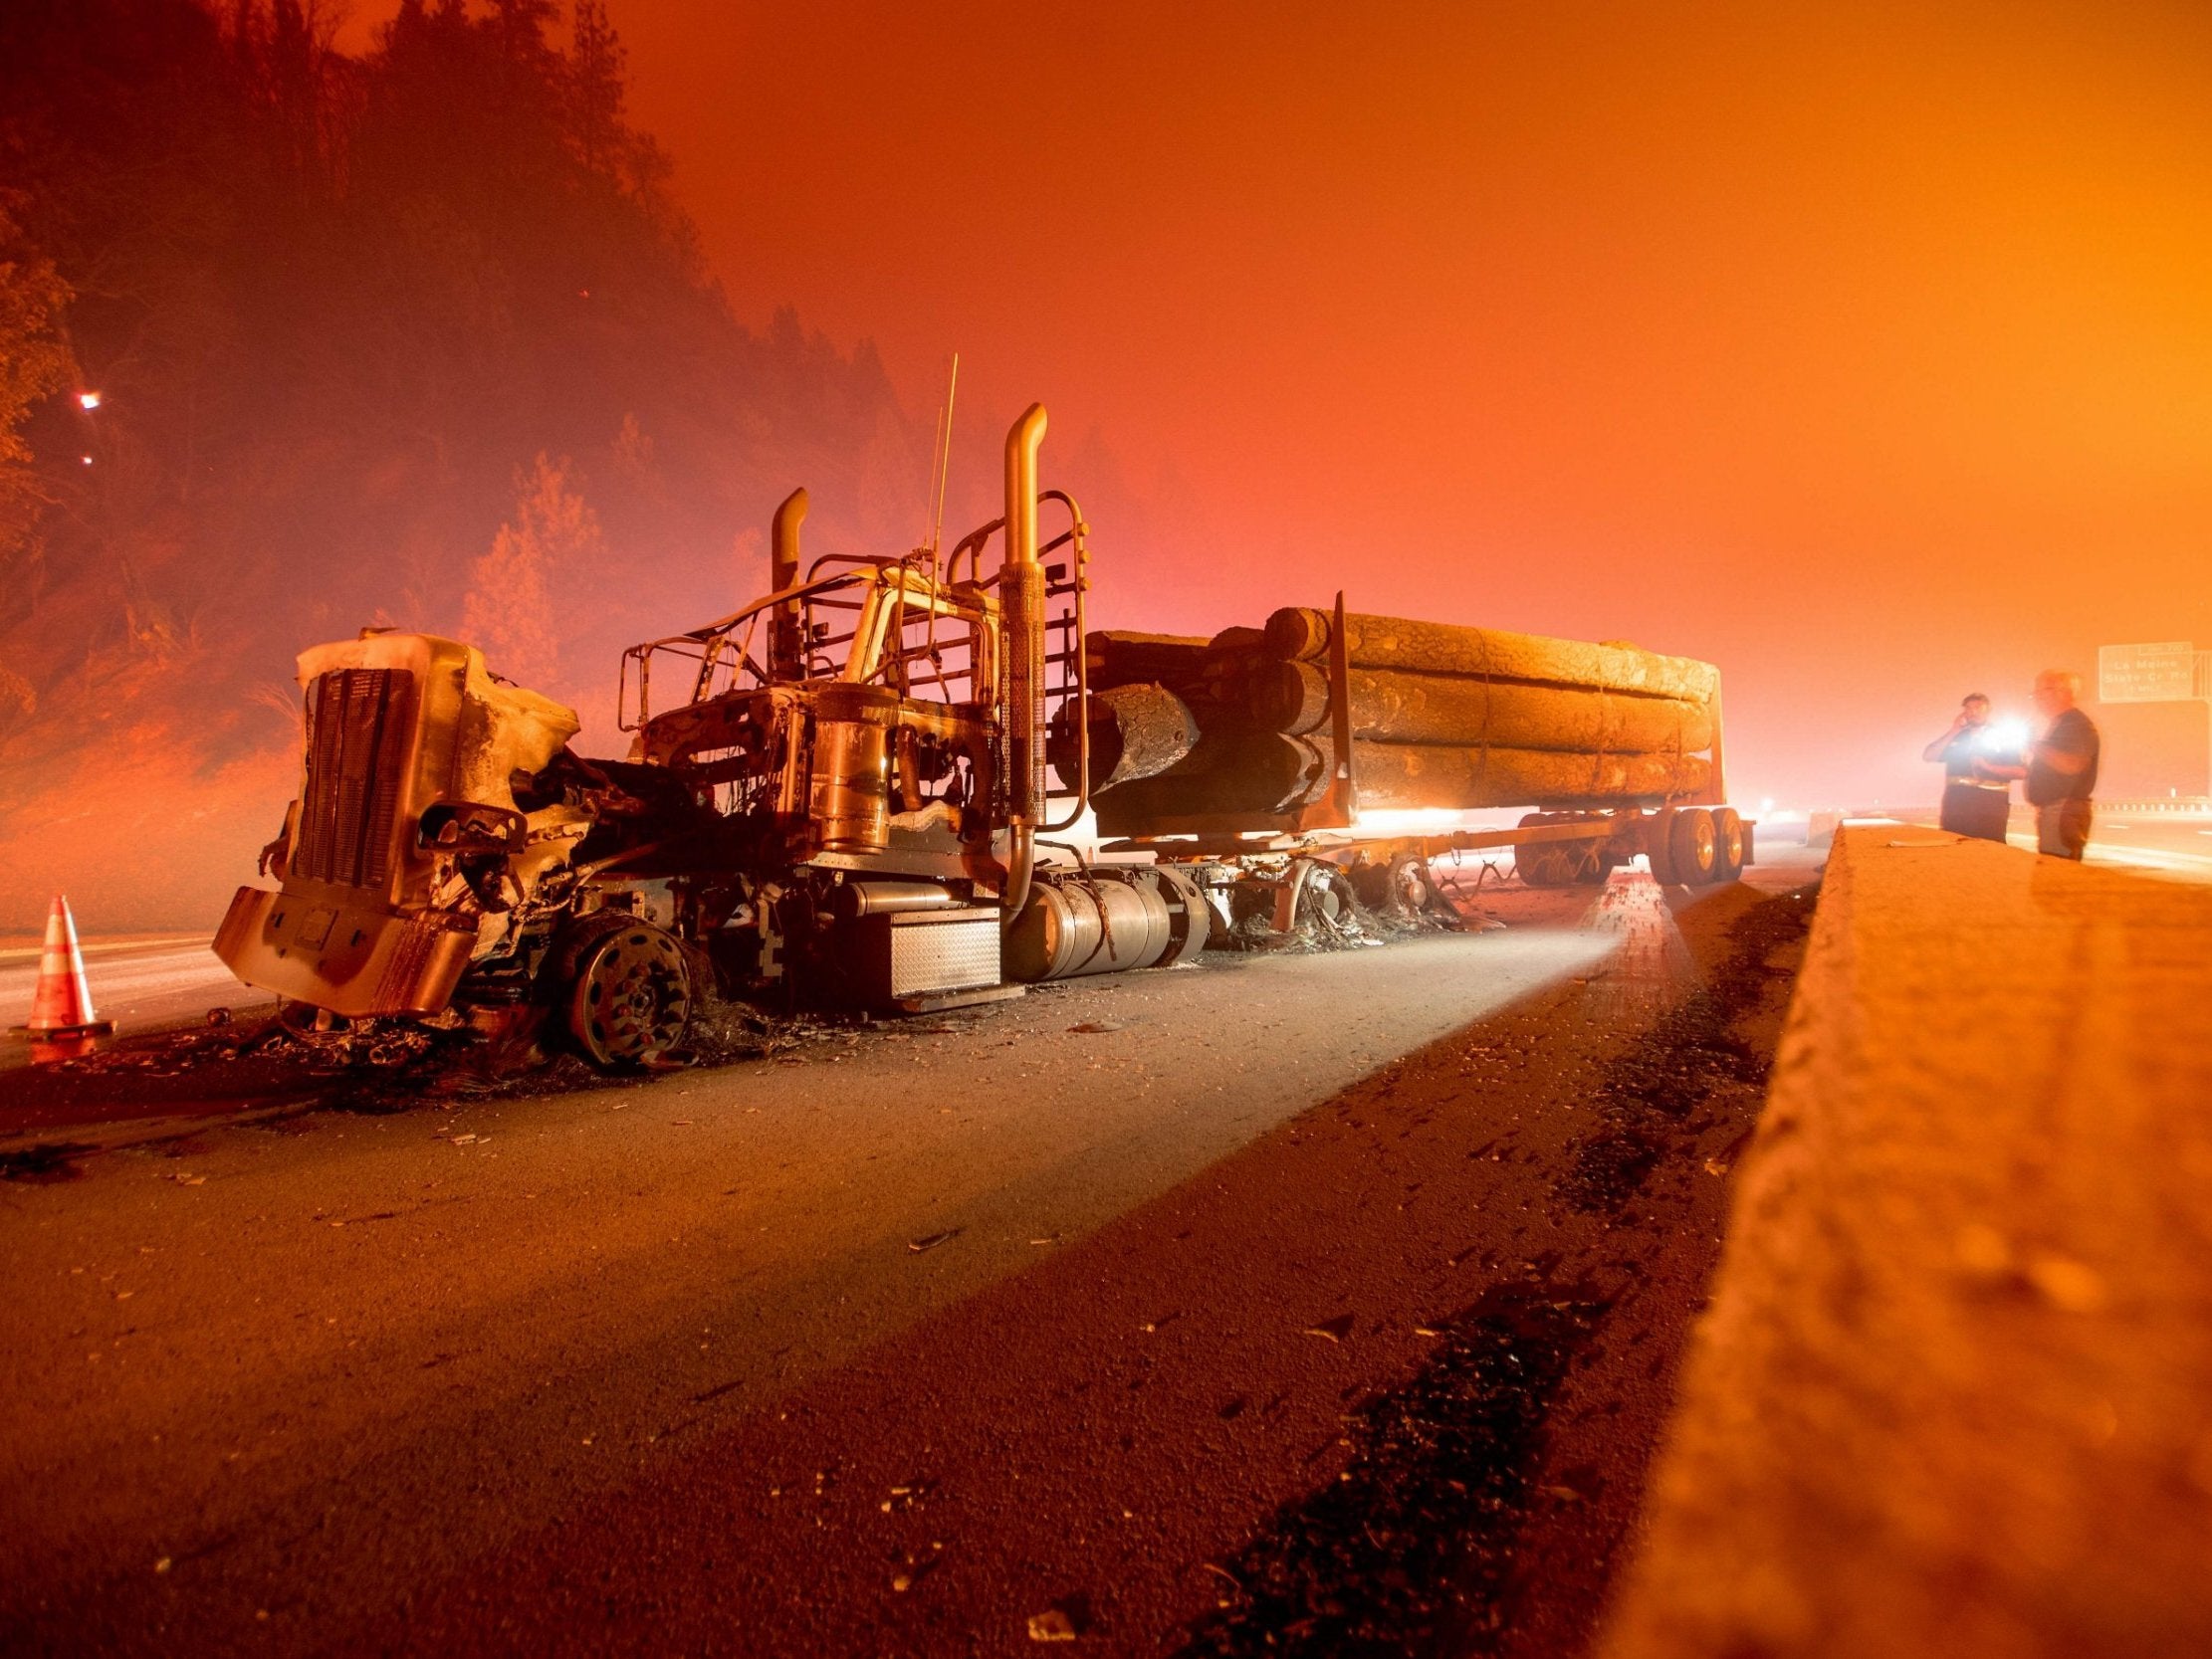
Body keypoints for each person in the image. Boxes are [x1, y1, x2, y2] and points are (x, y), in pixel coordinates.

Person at [2025, 669, 2100, 859]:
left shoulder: (2076, 724)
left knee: (2056, 875)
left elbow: (2072, 764)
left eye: (2041, 692)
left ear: (2061, 692)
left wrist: (2034, 745)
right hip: (2056, 810)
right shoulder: (2061, 724)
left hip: (2062, 810)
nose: (2037, 698)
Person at [1921, 693, 2015, 842]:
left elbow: (2022, 771)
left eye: (1978, 707)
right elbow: (1928, 756)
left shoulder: (2003, 737)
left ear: (1989, 709)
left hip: (1990, 810)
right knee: (1955, 853)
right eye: (1968, 708)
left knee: (1990, 854)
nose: (1973, 712)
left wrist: (1988, 767)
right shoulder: (1957, 736)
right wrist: (1954, 730)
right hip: (1957, 809)